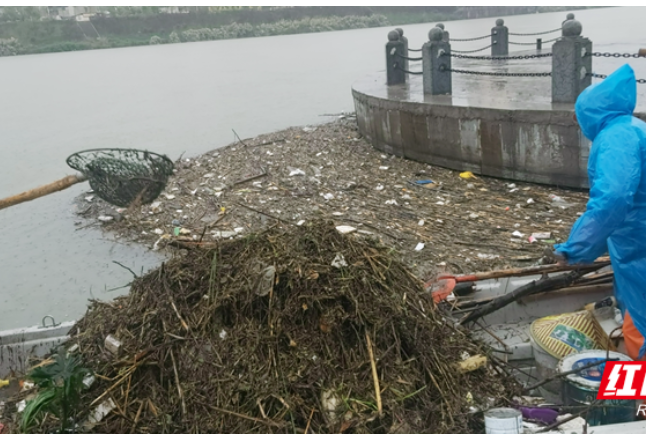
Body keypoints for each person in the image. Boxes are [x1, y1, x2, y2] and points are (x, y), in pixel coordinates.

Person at [551, 64, 646, 361]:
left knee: (639, 328)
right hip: (635, 246)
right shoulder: (636, 128)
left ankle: (635, 401)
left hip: (640, 248)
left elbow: (613, 201)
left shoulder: (616, 138)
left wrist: (574, 249)